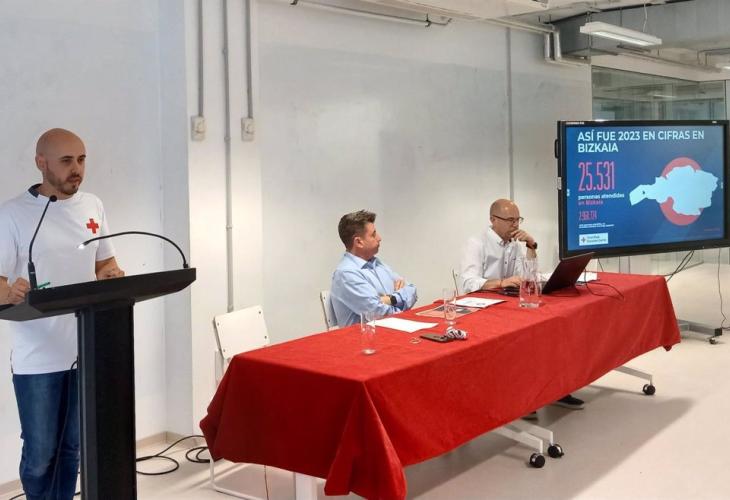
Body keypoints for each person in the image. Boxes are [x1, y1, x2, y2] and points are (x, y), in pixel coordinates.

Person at [0, 128, 124, 499]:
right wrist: (9, 291)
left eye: (82, 159)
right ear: (41, 163)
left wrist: (113, 274)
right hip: (38, 357)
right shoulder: (13, 214)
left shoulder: (93, 205)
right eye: (67, 160)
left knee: (72, 448)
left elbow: (105, 265)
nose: (77, 169)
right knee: (41, 455)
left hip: (85, 349)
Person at [459, 198, 584, 412]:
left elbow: (528, 276)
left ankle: (555, 388)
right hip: (484, 308)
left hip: (508, 305)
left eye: (518, 219)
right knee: (526, 338)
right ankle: (522, 397)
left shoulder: (514, 244)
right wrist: (502, 282)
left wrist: (531, 246)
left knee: (552, 327)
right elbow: (468, 283)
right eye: (510, 220)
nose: (516, 225)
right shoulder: (476, 243)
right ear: (493, 220)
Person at [331, 210, 417, 327]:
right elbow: (378, 313)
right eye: (373, 234)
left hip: (391, 329)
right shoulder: (346, 274)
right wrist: (399, 299)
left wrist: (390, 299)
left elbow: (412, 290)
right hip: (366, 336)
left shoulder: (376, 263)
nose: (379, 238)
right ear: (359, 242)